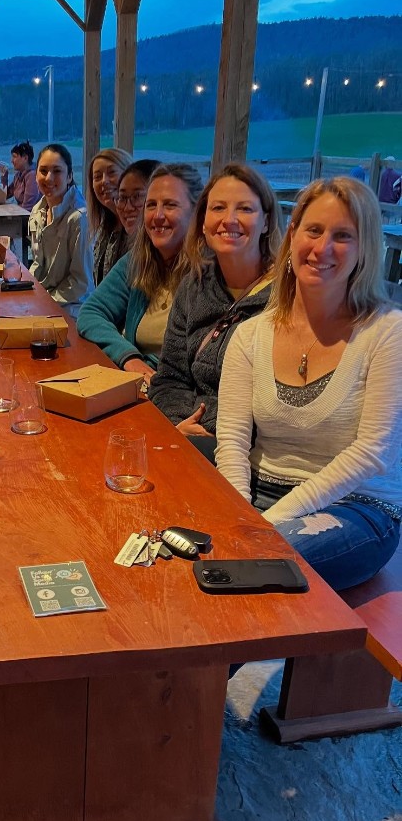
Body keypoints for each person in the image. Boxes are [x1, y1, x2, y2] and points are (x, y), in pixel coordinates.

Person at [216, 177, 402, 590]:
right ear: (292, 236)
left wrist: (265, 526)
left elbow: (374, 452)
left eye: (343, 236)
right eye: (313, 230)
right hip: (261, 494)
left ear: (364, 251)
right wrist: (239, 515)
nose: (322, 249)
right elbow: (230, 440)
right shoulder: (251, 334)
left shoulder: (388, 331)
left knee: (246, 573)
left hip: (355, 508)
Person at [148, 163, 282, 458]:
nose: (229, 220)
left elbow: (279, 402)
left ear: (267, 220)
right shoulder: (195, 285)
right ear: (204, 221)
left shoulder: (287, 296)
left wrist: (212, 432)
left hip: (255, 455)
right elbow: (170, 377)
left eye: (245, 209)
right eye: (218, 208)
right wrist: (178, 424)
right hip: (191, 441)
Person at [77, 162, 202, 376]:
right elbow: (90, 313)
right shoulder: (138, 260)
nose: (158, 215)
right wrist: (129, 357)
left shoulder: (208, 271)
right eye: (151, 205)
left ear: (196, 211)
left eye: (170, 205)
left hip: (176, 394)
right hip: (140, 384)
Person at [28, 143, 93, 319]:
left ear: (70, 176)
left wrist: (45, 301)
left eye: (57, 171)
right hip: (43, 302)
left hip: (73, 309)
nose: (49, 178)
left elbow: (81, 282)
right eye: (43, 171)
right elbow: (38, 263)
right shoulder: (36, 212)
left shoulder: (80, 218)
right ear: (36, 176)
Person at [86, 148, 133, 286]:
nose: (104, 181)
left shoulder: (138, 230)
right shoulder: (104, 227)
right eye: (97, 177)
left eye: (112, 172)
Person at [0, 141, 41, 211]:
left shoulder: (32, 176)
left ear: (25, 158)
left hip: (28, 218)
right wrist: (4, 178)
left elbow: (28, 207)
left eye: (14, 156)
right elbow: (5, 196)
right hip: (20, 214)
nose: (12, 161)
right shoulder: (18, 175)